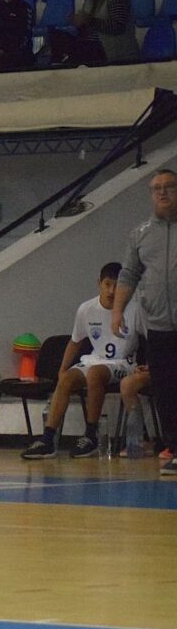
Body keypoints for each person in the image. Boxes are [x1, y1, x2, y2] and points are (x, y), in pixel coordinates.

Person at [22, 263, 145, 459]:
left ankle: (90, 435)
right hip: (95, 360)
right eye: (107, 284)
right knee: (67, 379)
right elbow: (75, 342)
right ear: (99, 284)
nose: (112, 291)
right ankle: (48, 439)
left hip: (123, 363)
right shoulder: (86, 309)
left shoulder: (134, 309)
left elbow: (152, 338)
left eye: (117, 285)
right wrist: (62, 369)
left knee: (95, 375)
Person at [112, 168, 177, 476]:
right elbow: (128, 276)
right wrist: (116, 312)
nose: (162, 193)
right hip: (160, 327)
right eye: (156, 188)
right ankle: (175, 449)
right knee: (165, 389)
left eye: (168, 187)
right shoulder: (140, 234)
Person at [47, 0, 138, 67]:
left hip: (109, 49)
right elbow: (88, 28)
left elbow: (118, 27)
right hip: (91, 46)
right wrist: (79, 23)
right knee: (55, 35)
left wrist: (89, 20)